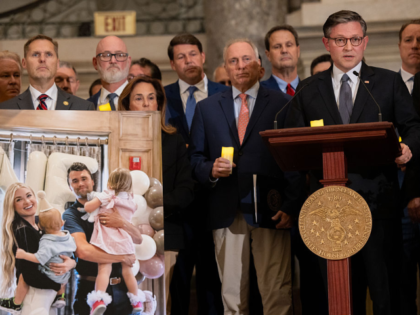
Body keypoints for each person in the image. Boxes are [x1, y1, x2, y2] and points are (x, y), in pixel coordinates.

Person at [285, 10, 420, 315]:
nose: (348, 46)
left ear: (365, 42)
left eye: (355, 39)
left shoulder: (387, 83)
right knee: (343, 295)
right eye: (340, 40)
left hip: (378, 207)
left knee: (385, 292)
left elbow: (413, 127)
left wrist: (408, 147)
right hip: (327, 210)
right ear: (326, 43)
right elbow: (292, 144)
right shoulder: (308, 89)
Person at [189, 38, 303, 315]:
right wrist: (210, 171)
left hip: (271, 210)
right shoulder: (207, 108)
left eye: (246, 59)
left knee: (276, 291)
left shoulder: (283, 103)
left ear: (259, 65)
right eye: (233, 61)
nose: (240, 66)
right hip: (226, 210)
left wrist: (290, 204)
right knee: (232, 295)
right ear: (226, 68)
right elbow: (194, 159)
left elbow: (295, 159)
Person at [118, 76, 195, 313]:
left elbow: (186, 190)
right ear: (127, 104)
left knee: (164, 304)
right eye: (139, 98)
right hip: (122, 235)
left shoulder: (174, 140)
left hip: (166, 235)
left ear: (159, 105)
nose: (146, 104)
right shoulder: (118, 139)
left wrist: (154, 209)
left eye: (152, 98)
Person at [164, 33, 228, 315]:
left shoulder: (222, 93)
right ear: (172, 63)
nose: (188, 60)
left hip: (215, 198)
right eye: (181, 56)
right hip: (176, 205)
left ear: (203, 57)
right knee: (176, 280)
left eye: (193, 54)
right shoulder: (161, 97)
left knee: (213, 278)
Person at [63, 163, 154, 315]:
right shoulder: (70, 215)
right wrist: (123, 256)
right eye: (75, 181)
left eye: (84, 178)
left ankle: (136, 300)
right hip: (90, 288)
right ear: (70, 186)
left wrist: (122, 222)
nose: (80, 183)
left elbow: (138, 239)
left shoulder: (113, 203)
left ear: (92, 181)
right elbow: (83, 251)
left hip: (122, 290)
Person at [0, 183, 76, 315]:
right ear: (12, 205)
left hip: (46, 294)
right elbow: (29, 273)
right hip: (34, 294)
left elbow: (61, 246)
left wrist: (72, 262)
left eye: (29, 195)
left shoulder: (41, 223)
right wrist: (58, 284)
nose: (27, 201)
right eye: (19, 199)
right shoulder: (23, 230)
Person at [80, 168, 144, 314]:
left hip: (108, 238)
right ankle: (137, 301)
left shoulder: (106, 196)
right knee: (128, 271)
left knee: (104, 270)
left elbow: (87, 207)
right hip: (125, 239)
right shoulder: (130, 200)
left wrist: (98, 202)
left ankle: (98, 300)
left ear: (109, 182)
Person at [0, 35, 93, 110]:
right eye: (35, 54)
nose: (42, 59)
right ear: (24, 63)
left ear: (57, 63)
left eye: (48, 54)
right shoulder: (6, 109)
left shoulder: (83, 108)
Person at [396, 19, 420, 315]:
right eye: (409, 39)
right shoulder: (384, 86)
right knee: (401, 284)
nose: (416, 45)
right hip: (396, 201)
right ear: (399, 45)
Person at [88, 36, 131, 110]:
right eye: (106, 55)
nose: (113, 61)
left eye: (120, 55)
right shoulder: (86, 107)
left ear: (128, 62)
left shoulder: (145, 101)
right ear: (95, 63)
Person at [261, 25, 300, 97]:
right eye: (277, 47)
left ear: (298, 51)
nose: (284, 50)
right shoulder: (258, 93)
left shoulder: (312, 90)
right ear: (268, 55)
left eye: (289, 45)